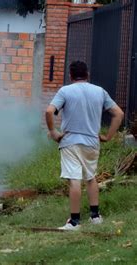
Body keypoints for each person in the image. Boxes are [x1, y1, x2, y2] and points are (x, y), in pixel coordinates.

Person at [45, 60, 124, 231]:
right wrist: (108, 136)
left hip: (70, 142)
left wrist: (53, 132)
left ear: (70, 76)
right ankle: (95, 216)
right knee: (90, 177)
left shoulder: (65, 91)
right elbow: (118, 113)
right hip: (92, 142)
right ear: (87, 75)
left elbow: (49, 111)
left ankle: (74, 222)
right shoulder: (100, 92)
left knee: (74, 179)